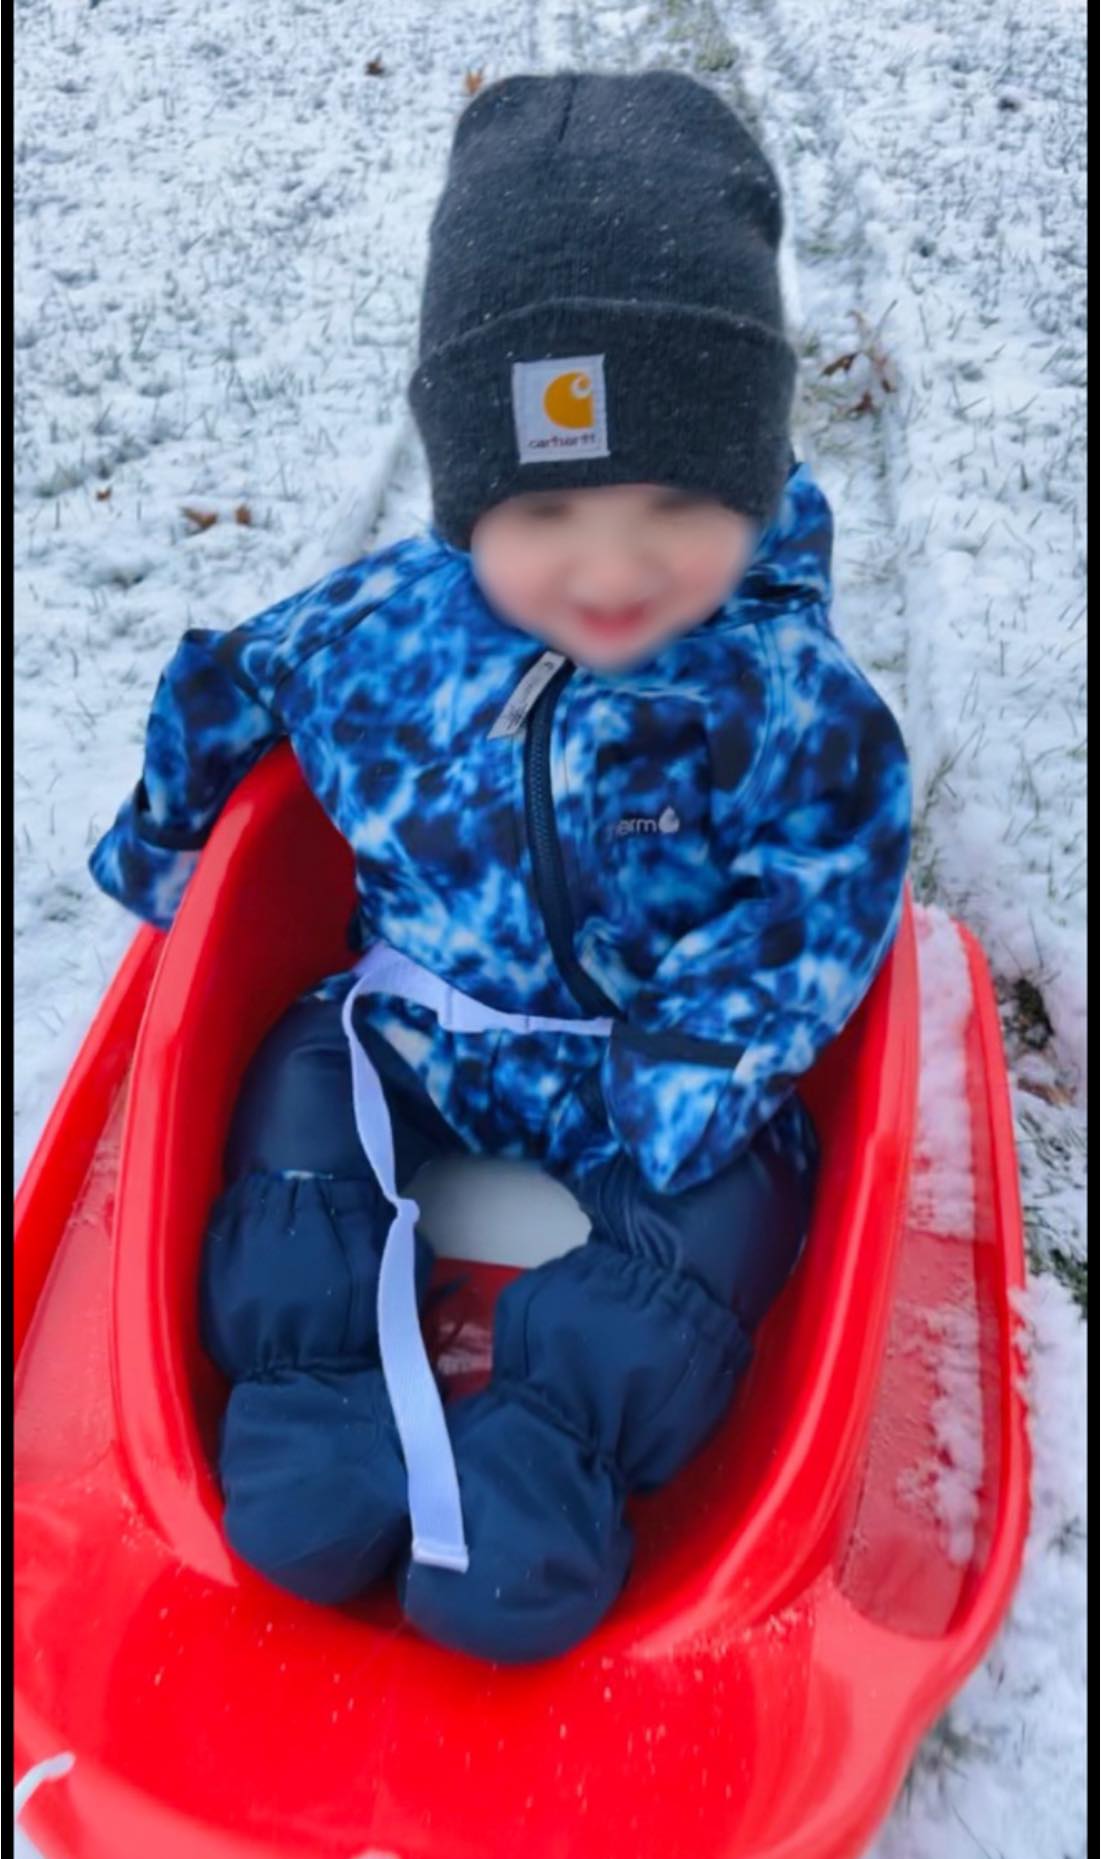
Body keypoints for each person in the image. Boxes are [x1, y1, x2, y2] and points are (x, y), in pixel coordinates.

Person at [87, 69, 912, 1664]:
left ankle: (546, 1447)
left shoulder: (780, 696)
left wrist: (690, 1077)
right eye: (545, 508)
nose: (612, 567)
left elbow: (828, 895)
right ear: (469, 491)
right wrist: (173, 849)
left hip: (654, 1065)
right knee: (293, 1100)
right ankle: (321, 1385)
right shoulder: (381, 625)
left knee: (729, 1212)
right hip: (415, 1019)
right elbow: (226, 679)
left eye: (675, 500)